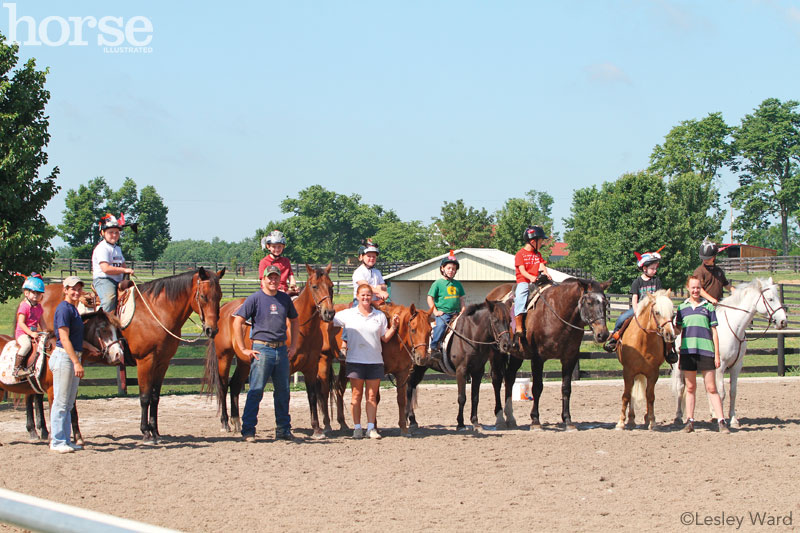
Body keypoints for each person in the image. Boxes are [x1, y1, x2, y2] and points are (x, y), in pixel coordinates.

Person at [234, 265, 299, 442]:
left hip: (281, 349)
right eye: (270, 277)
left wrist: (293, 345)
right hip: (262, 349)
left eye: (276, 278)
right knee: (256, 390)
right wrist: (242, 348)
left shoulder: (285, 299)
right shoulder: (255, 298)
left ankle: (283, 429)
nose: (273, 280)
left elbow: (294, 321)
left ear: (280, 280)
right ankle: (248, 430)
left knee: (283, 391)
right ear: (263, 279)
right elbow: (238, 321)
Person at [333, 284, 399, 440]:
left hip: (375, 361)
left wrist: (394, 326)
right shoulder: (347, 314)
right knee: (356, 395)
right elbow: (329, 319)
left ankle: (370, 428)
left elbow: (385, 337)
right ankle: (357, 428)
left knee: (371, 396)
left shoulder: (379, 316)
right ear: (357, 296)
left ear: (372, 297)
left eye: (368, 295)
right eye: (362, 295)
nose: (365, 298)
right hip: (355, 361)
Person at [675, 275, 730, 434]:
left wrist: (717, 354)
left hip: (706, 351)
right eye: (693, 287)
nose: (695, 290)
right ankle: (690, 421)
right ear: (688, 288)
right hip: (688, 352)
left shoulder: (709, 307)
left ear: (701, 289)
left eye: (698, 287)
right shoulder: (681, 308)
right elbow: (678, 330)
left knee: (711, 387)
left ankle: (721, 420)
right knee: (690, 387)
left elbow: (714, 332)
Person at [49, 276, 89, 452]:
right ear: (65, 290)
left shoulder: (73, 310)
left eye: (79, 289)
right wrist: (76, 362)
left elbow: (75, 337)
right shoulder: (64, 309)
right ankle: (57, 441)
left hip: (72, 355)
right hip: (65, 357)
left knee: (68, 402)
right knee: (61, 401)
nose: (76, 292)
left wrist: (91, 347)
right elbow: (63, 338)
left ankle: (65, 439)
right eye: (73, 289)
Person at [603, 249, 664, 353]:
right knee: (622, 318)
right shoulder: (637, 282)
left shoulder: (656, 281)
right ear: (644, 268)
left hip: (653, 309)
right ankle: (615, 337)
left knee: (665, 322)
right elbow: (634, 298)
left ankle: (669, 346)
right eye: (652, 268)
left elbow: (659, 297)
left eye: (655, 268)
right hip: (639, 307)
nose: (655, 271)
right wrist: (636, 310)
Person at [513, 226, 551, 345]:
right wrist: (530, 277)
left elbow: (541, 265)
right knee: (521, 296)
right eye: (541, 241)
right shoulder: (520, 254)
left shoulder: (537, 254)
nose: (542, 243)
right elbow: (522, 271)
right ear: (533, 241)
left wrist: (546, 274)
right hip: (524, 281)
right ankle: (518, 326)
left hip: (536, 281)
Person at [427, 251, 466, 361]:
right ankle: (434, 347)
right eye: (449, 268)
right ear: (442, 269)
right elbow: (430, 297)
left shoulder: (458, 284)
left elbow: (461, 299)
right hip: (444, 313)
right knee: (440, 327)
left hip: (457, 313)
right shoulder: (437, 283)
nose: (451, 271)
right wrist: (435, 312)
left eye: (453, 269)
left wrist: (463, 309)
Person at [92, 213, 134, 313]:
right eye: (111, 232)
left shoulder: (117, 248)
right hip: (104, 279)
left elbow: (122, 263)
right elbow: (105, 269)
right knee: (109, 299)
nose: (114, 235)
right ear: (103, 233)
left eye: (117, 232)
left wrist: (127, 272)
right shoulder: (102, 248)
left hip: (118, 280)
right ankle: (102, 323)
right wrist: (124, 270)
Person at [14, 273, 47, 378]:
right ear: (26, 293)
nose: (36, 295)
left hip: (34, 333)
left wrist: (46, 332)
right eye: (33, 293)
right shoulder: (24, 306)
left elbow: (42, 322)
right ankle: (17, 369)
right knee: (26, 345)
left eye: (39, 293)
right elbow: (21, 323)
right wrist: (31, 333)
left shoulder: (39, 307)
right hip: (22, 333)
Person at [694, 236, 734, 305]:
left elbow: (726, 284)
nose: (705, 260)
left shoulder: (719, 271)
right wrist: (710, 299)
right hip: (703, 304)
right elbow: (699, 289)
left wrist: (736, 292)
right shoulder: (699, 271)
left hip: (718, 304)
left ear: (714, 257)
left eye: (708, 258)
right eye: (704, 258)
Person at [258, 230, 298, 295]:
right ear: (268, 247)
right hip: (269, 292)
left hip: (285, 292)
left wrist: (293, 285)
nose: (277, 249)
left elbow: (291, 276)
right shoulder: (264, 262)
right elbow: (263, 281)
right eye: (274, 246)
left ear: (283, 247)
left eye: (279, 246)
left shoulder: (286, 261)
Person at [352, 239, 389, 304]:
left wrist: (381, 287)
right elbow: (366, 286)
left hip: (376, 301)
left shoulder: (377, 272)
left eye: (374, 257)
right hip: (361, 301)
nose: (372, 258)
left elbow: (383, 285)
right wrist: (379, 291)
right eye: (369, 256)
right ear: (361, 257)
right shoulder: (359, 272)